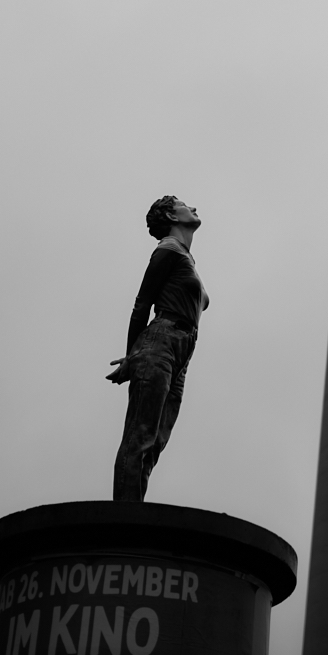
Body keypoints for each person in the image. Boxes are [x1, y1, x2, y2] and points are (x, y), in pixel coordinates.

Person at [109, 195, 209, 502]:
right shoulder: (168, 249)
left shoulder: (185, 257)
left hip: (181, 352)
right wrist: (132, 355)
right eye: (183, 203)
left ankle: (134, 512)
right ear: (171, 215)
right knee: (140, 435)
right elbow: (141, 306)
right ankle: (124, 520)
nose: (192, 206)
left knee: (155, 444)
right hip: (160, 343)